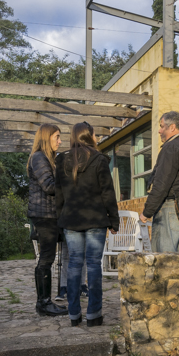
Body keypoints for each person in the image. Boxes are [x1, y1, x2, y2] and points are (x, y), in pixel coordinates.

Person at [56, 122, 120, 327]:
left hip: (71, 220)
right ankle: (94, 315)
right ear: (90, 136)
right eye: (94, 135)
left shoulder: (62, 160)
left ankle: (74, 315)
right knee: (93, 265)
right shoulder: (99, 160)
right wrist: (114, 219)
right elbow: (108, 193)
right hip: (95, 219)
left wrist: (61, 218)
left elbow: (59, 194)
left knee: (74, 264)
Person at [139, 111, 179, 252]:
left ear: (172, 127)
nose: (159, 131)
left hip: (170, 208)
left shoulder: (171, 148)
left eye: (162, 126)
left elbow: (161, 184)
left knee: (163, 261)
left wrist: (147, 212)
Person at [26, 124, 66, 317]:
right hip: (44, 215)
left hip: (50, 215)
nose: (60, 141)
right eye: (57, 137)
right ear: (46, 137)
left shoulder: (49, 159)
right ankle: (43, 303)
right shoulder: (39, 157)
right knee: (46, 258)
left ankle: (45, 302)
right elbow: (50, 187)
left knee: (48, 258)